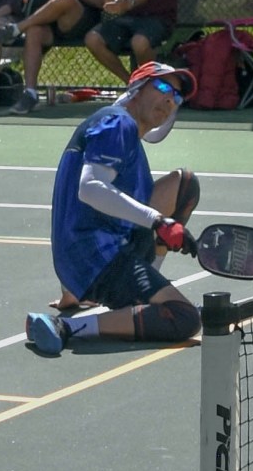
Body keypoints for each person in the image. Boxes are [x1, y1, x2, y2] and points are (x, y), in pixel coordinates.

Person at [25, 61, 202, 355]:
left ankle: (144, 292)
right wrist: (159, 221)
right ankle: (69, 327)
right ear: (138, 88)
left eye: (177, 96)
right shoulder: (118, 123)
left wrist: (69, 292)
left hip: (98, 247)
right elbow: (89, 188)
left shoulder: (125, 134)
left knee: (184, 185)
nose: (170, 99)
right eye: (162, 86)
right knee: (184, 318)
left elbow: (78, 209)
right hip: (97, 258)